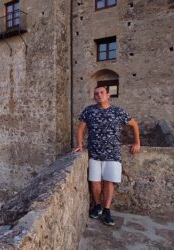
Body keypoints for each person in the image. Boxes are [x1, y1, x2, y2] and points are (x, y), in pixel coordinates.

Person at [72, 86, 140, 226]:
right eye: (96, 93)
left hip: (113, 153)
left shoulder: (118, 111)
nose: (99, 95)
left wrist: (137, 142)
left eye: (102, 92)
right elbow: (80, 128)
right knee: (95, 181)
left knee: (109, 181)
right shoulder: (89, 111)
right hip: (94, 153)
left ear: (108, 95)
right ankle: (97, 205)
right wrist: (79, 145)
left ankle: (107, 210)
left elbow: (134, 124)